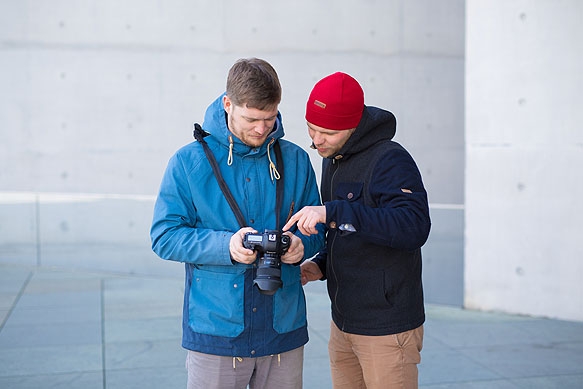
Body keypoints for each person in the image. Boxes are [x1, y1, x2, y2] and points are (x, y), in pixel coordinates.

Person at [150, 58, 325, 389]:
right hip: (217, 332)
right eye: (251, 119)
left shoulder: (298, 160)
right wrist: (226, 246)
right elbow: (164, 236)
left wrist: (302, 246)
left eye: (270, 118)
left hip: (282, 330)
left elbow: (316, 232)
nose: (261, 128)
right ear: (228, 104)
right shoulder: (187, 162)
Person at [283, 72, 431, 389]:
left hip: (386, 328)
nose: (316, 139)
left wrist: (333, 211)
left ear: (353, 126)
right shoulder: (332, 158)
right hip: (344, 322)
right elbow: (348, 232)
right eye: (312, 127)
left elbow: (413, 227)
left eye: (328, 132)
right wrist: (320, 266)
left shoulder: (390, 159)